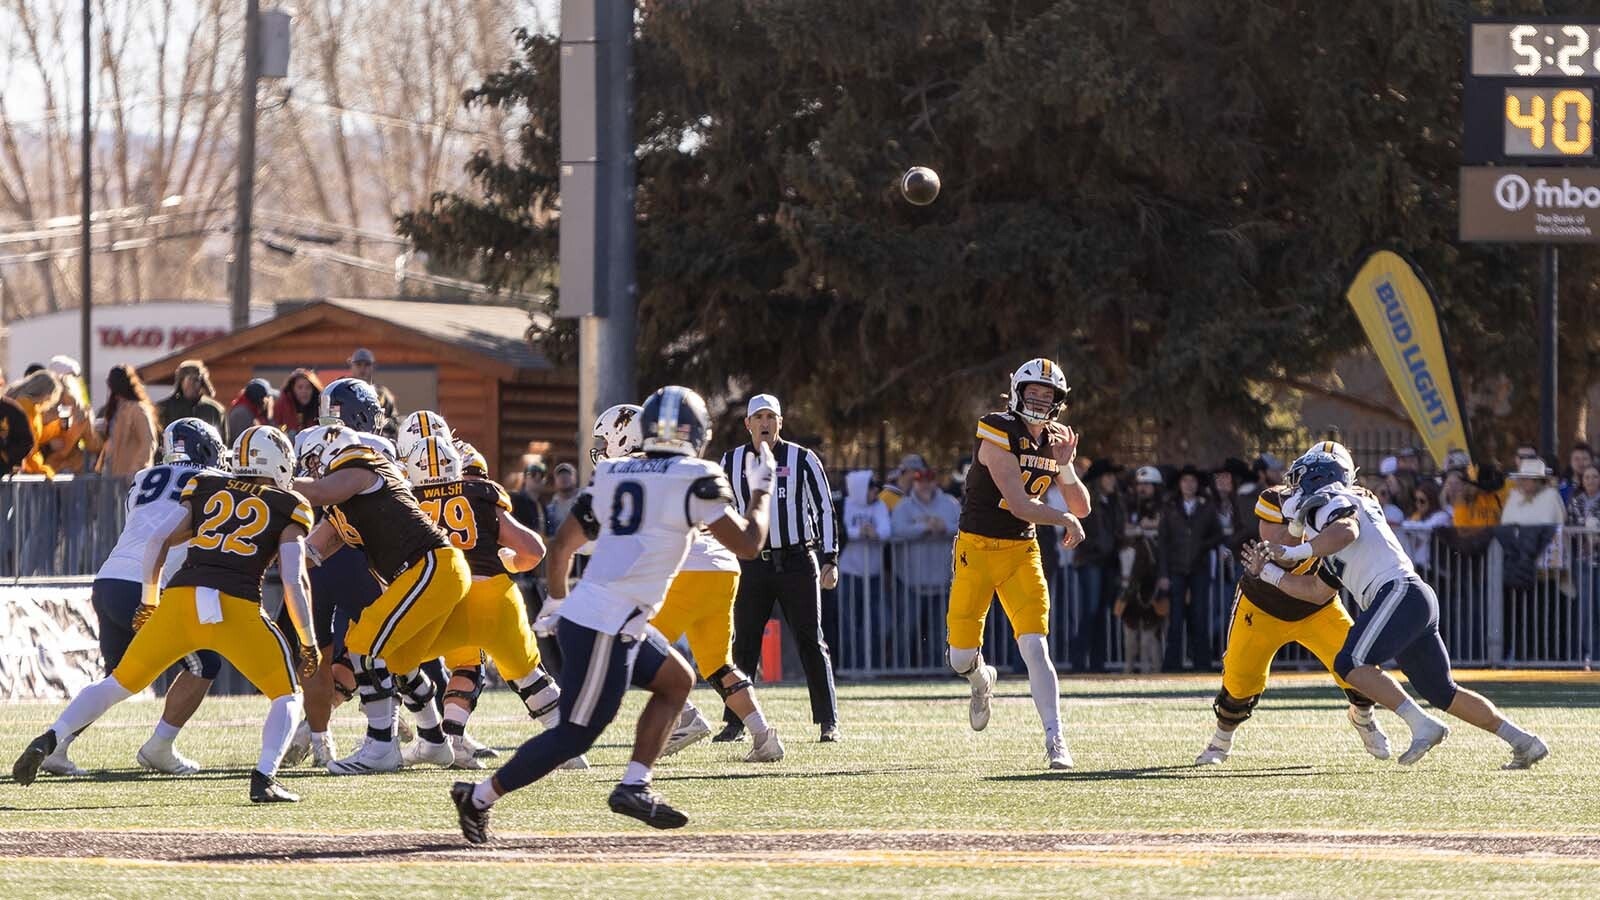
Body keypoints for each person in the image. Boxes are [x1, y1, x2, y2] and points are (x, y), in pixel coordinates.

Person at [450, 386, 772, 843]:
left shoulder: (615, 471)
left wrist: (559, 603)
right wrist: (762, 489)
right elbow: (748, 544)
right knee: (574, 736)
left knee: (677, 681)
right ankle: (478, 797)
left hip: (611, 615)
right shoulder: (694, 474)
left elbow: (561, 547)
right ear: (695, 431)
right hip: (607, 621)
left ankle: (635, 784)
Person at [13, 425, 318, 803]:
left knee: (118, 682)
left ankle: (53, 737)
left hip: (179, 598)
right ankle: (264, 777)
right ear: (281, 463)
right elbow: (294, 578)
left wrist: (150, 600)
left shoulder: (207, 488)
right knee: (287, 695)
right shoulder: (290, 504)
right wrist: (307, 640)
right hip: (236, 605)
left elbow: (157, 538)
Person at [1266, 453, 1548, 769]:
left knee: (1349, 662)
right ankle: (1523, 741)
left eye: (1297, 478)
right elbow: (1316, 592)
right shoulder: (1329, 520)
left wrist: (1296, 549)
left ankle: (1421, 724)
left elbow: (1347, 530)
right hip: (1411, 597)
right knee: (1444, 692)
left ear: (1314, 477)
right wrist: (1269, 574)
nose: (1292, 488)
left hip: (1397, 593)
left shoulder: (1330, 501)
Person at [567, 404, 788, 765]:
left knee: (631, 648)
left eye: (606, 439)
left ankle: (685, 717)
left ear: (625, 436)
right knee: (717, 664)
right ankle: (764, 736)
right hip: (723, 567)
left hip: (689, 568)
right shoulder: (678, 465)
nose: (602, 448)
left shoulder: (627, 473)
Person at [34, 419, 230, 779]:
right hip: (145, 589)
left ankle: (56, 744)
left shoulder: (143, 479)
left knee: (119, 677)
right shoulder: (212, 483)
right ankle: (160, 747)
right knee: (205, 664)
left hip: (108, 580)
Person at [294, 378, 471, 775]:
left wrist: (270, 483)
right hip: (422, 574)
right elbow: (314, 549)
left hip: (431, 566)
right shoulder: (342, 499)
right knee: (398, 657)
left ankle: (380, 747)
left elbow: (321, 491)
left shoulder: (358, 463)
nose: (306, 472)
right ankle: (433, 741)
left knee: (363, 643)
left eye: (306, 463)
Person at [1194, 442, 1391, 766]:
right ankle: (1220, 742)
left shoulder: (1358, 500)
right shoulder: (1275, 499)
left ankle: (1362, 716)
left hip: (1319, 604)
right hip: (1263, 604)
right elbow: (1279, 557)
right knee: (1240, 684)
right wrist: (1298, 523)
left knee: (1361, 667)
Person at [388, 436, 574, 770]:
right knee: (530, 677)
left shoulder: (407, 502)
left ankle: (417, 738)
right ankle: (568, 748)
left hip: (443, 601)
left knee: (393, 660)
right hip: (495, 597)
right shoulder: (479, 494)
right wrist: (510, 563)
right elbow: (534, 550)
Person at [945, 359, 1088, 769]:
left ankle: (1055, 738)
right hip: (976, 549)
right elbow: (1023, 504)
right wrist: (1061, 517)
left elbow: (1082, 505)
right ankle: (980, 678)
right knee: (959, 658)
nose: (1041, 400)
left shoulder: (1055, 439)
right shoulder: (996, 428)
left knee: (1035, 646)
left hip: (1020, 553)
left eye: (1049, 395)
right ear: (1018, 391)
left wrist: (1064, 465)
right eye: (1035, 392)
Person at [717, 393, 841, 743]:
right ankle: (735, 722)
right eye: (758, 417)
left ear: (781, 423)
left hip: (797, 560)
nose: (765, 423)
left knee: (810, 639)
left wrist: (830, 558)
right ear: (748, 425)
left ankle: (828, 720)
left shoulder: (803, 459)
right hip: (751, 562)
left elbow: (824, 509)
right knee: (743, 644)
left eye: (771, 417)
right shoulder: (731, 461)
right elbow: (719, 509)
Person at [890, 458, 962, 667]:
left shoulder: (950, 503)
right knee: (906, 629)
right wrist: (923, 528)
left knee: (941, 631)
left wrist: (943, 527)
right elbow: (895, 530)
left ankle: (941, 669)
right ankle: (902, 670)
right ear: (914, 482)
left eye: (929, 479)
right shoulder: (903, 505)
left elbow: (963, 529)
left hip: (942, 581)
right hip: (911, 582)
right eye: (920, 480)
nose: (925, 484)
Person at [1157, 464, 1224, 671]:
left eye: (1192, 481)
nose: (1189, 484)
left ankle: (1201, 663)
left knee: (1199, 616)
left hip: (1199, 567)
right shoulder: (1170, 507)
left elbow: (1218, 534)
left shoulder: (1207, 507)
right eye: (1185, 481)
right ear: (1179, 484)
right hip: (1176, 568)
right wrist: (1163, 574)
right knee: (1175, 619)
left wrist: (1202, 545)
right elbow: (1163, 542)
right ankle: (1172, 664)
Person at [1070, 459, 1125, 673]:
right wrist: (1101, 546)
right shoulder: (1087, 503)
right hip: (1090, 561)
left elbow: (1117, 531)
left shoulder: (1114, 502)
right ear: (1099, 479)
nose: (1112, 481)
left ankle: (1097, 662)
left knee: (1102, 611)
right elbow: (1085, 533)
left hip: (1108, 562)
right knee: (1090, 611)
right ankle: (1078, 661)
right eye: (1108, 476)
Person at [838, 469, 891, 671]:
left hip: (874, 575)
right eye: (871, 488)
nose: (874, 492)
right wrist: (859, 532)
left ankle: (874, 666)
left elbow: (886, 531)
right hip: (850, 574)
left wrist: (874, 533)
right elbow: (840, 531)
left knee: (878, 623)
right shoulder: (845, 505)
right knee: (849, 623)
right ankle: (851, 666)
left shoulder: (880, 506)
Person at [90, 365, 160, 478]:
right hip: (113, 477)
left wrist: (136, 471)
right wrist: (99, 467)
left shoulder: (138, 410)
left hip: (132, 478)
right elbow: (111, 442)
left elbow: (149, 442)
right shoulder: (115, 410)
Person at [5, 369, 65, 477]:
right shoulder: (26, 407)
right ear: (46, 393)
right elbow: (28, 444)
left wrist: (57, 426)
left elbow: (35, 436)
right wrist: (42, 470)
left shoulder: (25, 404)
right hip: (18, 469)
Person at [155, 359, 226, 434]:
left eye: (196, 380)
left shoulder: (214, 409)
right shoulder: (164, 409)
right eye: (189, 379)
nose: (192, 384)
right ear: (181, 382)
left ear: (202, 383)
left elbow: (222, 442)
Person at [347, 348, 399, 439]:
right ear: (352, 366)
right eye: (358, 364)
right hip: (349, 441)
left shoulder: (382, 394)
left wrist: (384, 422)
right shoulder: (345, 391)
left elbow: (394, 423)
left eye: (367, 364)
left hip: (376, 443)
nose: (362, 368)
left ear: (373, 366)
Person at [1501, 458, 1565, 526]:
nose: (1522, 481)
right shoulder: (1514, 496)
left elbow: (1559, 524)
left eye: (1527, 478)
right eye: (1521, 478)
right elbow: (1505, 524)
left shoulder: (1551, 496)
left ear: (1539, 481)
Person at [274, 369, 323, 436]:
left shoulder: (321, 406)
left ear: (313, 389)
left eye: (308, 387)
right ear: (292, 389)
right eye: (300, 387)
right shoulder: (282, 405)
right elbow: (278, 427)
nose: (304, 391)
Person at [226, 379, 275, 444]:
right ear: (261, 399)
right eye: (268, 397)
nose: (270, 400)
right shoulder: (241, 414)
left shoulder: (255, 412)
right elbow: (242, 443)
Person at [511, 460, 550, 536]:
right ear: (525, 479)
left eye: (542, 475)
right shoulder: (514, 500)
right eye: (533, 474)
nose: (537, 476)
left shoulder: (543, 506)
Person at [546, 463, 582, 531]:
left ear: (575, 478)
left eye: (568, 474)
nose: (563, 477)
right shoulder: (549, 509)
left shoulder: (586, 503)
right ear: (555, 481)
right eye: (560, 475)